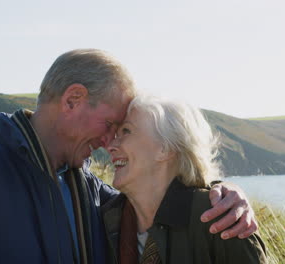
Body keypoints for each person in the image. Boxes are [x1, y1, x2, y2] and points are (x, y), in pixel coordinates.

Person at [0, 49, 258, 264]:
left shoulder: (97, 196)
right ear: (73, 100)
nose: (109, 141)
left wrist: (222, 193)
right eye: (110, 124)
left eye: (122, 129)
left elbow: (163, 194)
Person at [102, 95, 267, 264]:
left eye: (126, 131)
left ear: (165, 149)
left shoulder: (221, 217)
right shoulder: (106, 218)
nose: (110, 146)